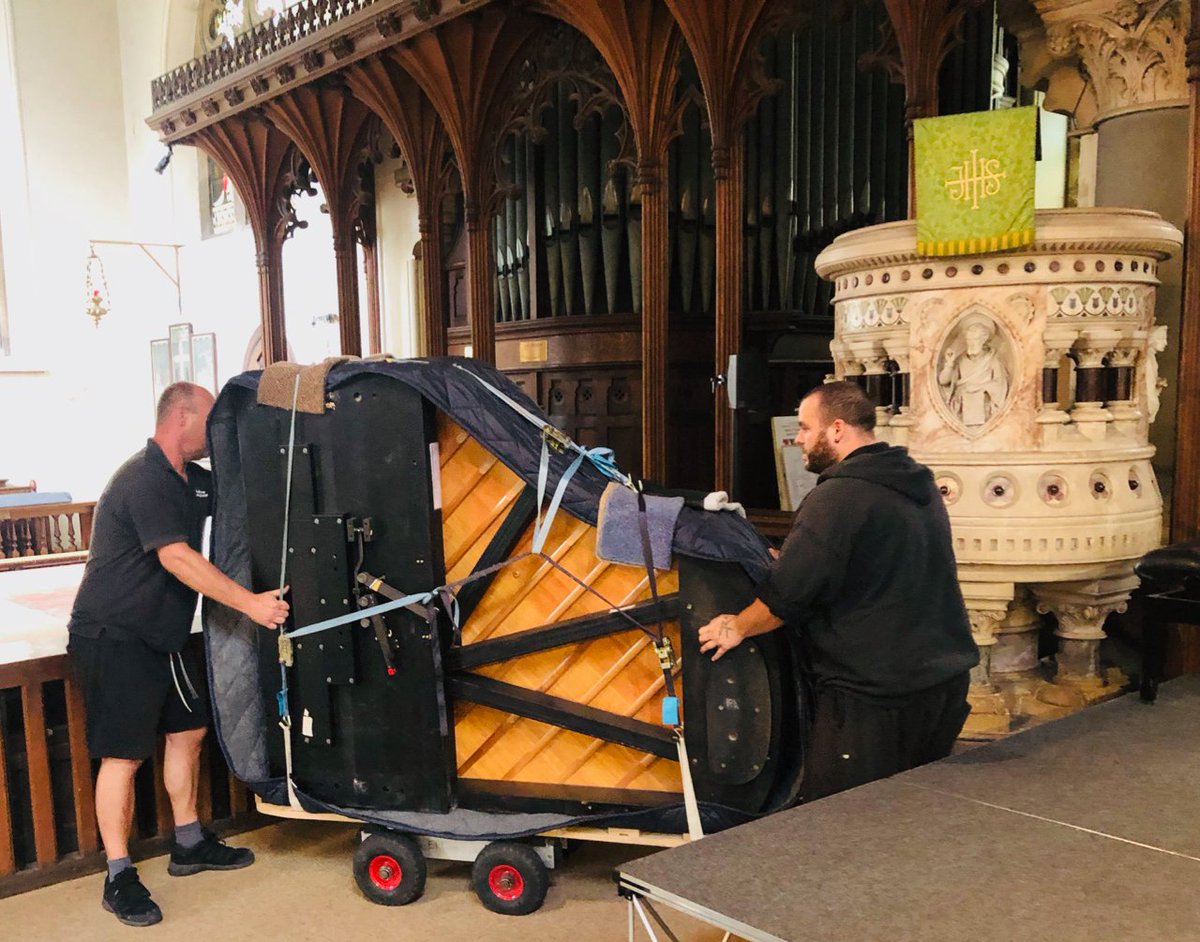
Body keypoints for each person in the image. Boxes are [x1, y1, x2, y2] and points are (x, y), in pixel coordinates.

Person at [68, 382, 290, 927]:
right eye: (210, 422)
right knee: (122, 756)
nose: (214, 434)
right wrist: (250, 606)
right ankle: (119, 876)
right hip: (112, 635)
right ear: (182, 419)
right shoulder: (144, 478)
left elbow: (243, 496)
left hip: (164, 635)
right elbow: (178, 559)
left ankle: (188, 842)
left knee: (187, 731)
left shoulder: (193, 482)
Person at [698, 381, 978, 802]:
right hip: (941, 683)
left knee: (838, 823)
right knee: (915, 811)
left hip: (876, 699)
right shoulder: (913, 482)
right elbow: (876, 565)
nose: (799, 439)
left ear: (838, 429)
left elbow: (785, 598)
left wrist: (735, 626)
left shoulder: (839, 494)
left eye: (807, 428)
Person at [937, 314, 1009, 427]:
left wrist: (980, 387)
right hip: (962, 406)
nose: (971, 343)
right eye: (969, 339)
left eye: (975, 339)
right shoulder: (960, 360)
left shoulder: (992, 359)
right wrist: (949, 364)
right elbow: (943, 381)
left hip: (984, 406)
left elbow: (1000, 385)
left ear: (984, 339)